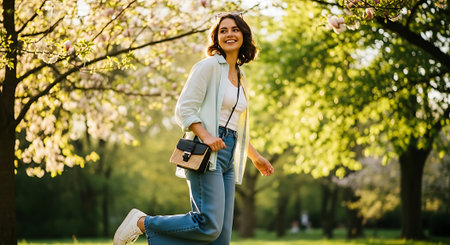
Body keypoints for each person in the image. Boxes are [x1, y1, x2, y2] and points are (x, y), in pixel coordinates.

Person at [113, 12, 274, 245]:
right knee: (208, 226)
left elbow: (235, 125)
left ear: (244, 35)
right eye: (223, 30)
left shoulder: (241, 76)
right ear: (216, 37)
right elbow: (184, 108)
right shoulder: (209, 67)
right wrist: (207, 136)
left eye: (235, 29)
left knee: (220, 238)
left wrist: (255, 157)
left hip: (229, 155)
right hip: (205, 151)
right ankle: (143, 223)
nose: (229, 34)